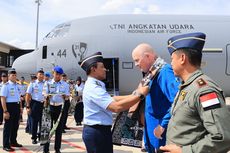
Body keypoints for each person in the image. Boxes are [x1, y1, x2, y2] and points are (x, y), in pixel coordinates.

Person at [160, 32, 230, 153]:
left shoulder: (204, 90)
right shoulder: (187, 87)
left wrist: (185, 151)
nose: (170, 63)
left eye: (172, 58)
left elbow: (222, 137)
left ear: (182, 58)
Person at [79, 52, 149, 153]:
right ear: (93, 69)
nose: (105, 69)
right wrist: (140, 95)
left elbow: (113, 99)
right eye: (102, 67)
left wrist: (135, 94)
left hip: (100, 131)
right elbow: (115, 107)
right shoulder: (93, 88)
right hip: (97, 132)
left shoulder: (96, 85)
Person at [132, 43, 179, 153]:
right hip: (152, 132)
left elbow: (178, 101)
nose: (136, 64)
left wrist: (163, 125)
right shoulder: (152, 73)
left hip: (161, 134)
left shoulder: (164, 72)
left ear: (148, 56)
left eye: (137, 60)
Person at [42, 66, 69, 153]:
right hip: (50, 107)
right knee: (47, 129)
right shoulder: (48, 83)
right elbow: (44, 93)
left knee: (58, 130)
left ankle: (57, 149)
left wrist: (65, 96)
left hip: (60, 108)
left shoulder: (65, 84)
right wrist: (47, 95)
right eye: (56, 74)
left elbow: (68, 97)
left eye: (59, 74)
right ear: (53, 73)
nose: (57, 76)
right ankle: (45, 149)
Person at [0, 68, 23, 151]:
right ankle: (6, 145)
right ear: (9, 76)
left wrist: (20, 107)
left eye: (15, 75)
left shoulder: (17, 85)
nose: (14, 76)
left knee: (15, 126)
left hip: (16, 106)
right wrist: (5, 111)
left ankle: (13, 141)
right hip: (9, 107)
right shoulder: (6, 86)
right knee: (8, 127)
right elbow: (2, 98)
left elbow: (19, 98)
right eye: (12, 75)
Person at [26, 68, 45, 144]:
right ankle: (34, 137)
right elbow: (28, 94)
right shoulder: (33, 83)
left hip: (43, 104)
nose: (41, 76)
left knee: (42, 122)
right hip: (35, 103)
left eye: (42, 74)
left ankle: (41, 137)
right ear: (37, 75)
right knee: (34, 121)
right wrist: (28, 106)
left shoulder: (46, 83)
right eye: (40, 74)